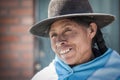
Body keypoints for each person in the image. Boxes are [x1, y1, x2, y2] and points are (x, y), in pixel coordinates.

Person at [30, 0, 120, 80]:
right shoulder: (44, 77)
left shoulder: (115, 72)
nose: (59, 41)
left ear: (91, 30)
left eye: (67, 30)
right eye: (53, 35)